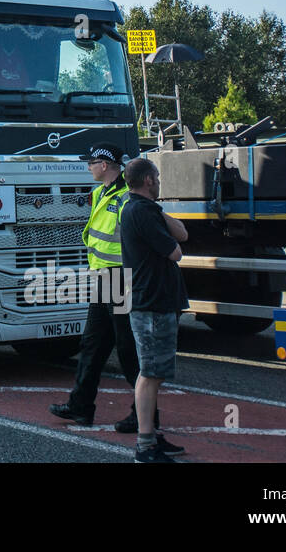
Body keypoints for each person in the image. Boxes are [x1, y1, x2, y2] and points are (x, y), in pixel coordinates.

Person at [49, 146, 184, 453]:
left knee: (127, 348)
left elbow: (155, 225)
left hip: (120, 279)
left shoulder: (128, 195)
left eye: (92, 162)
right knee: (92, 344)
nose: (88, 167)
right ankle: (81, 405)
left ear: (106, 164)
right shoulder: (101, 193)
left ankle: (145, 417)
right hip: (103, 277)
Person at [119, 157, 188, 463]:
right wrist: (158, 214)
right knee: (149, 372)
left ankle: (150, 435)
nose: (159, 181)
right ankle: (145, 444)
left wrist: (159, 210)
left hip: (147, 297)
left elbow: (182, 233)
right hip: (150, 300)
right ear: (148, 180)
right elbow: (177, 251)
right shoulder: (142, 211)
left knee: (153, 371)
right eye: (157, 177)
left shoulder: (142, 208)